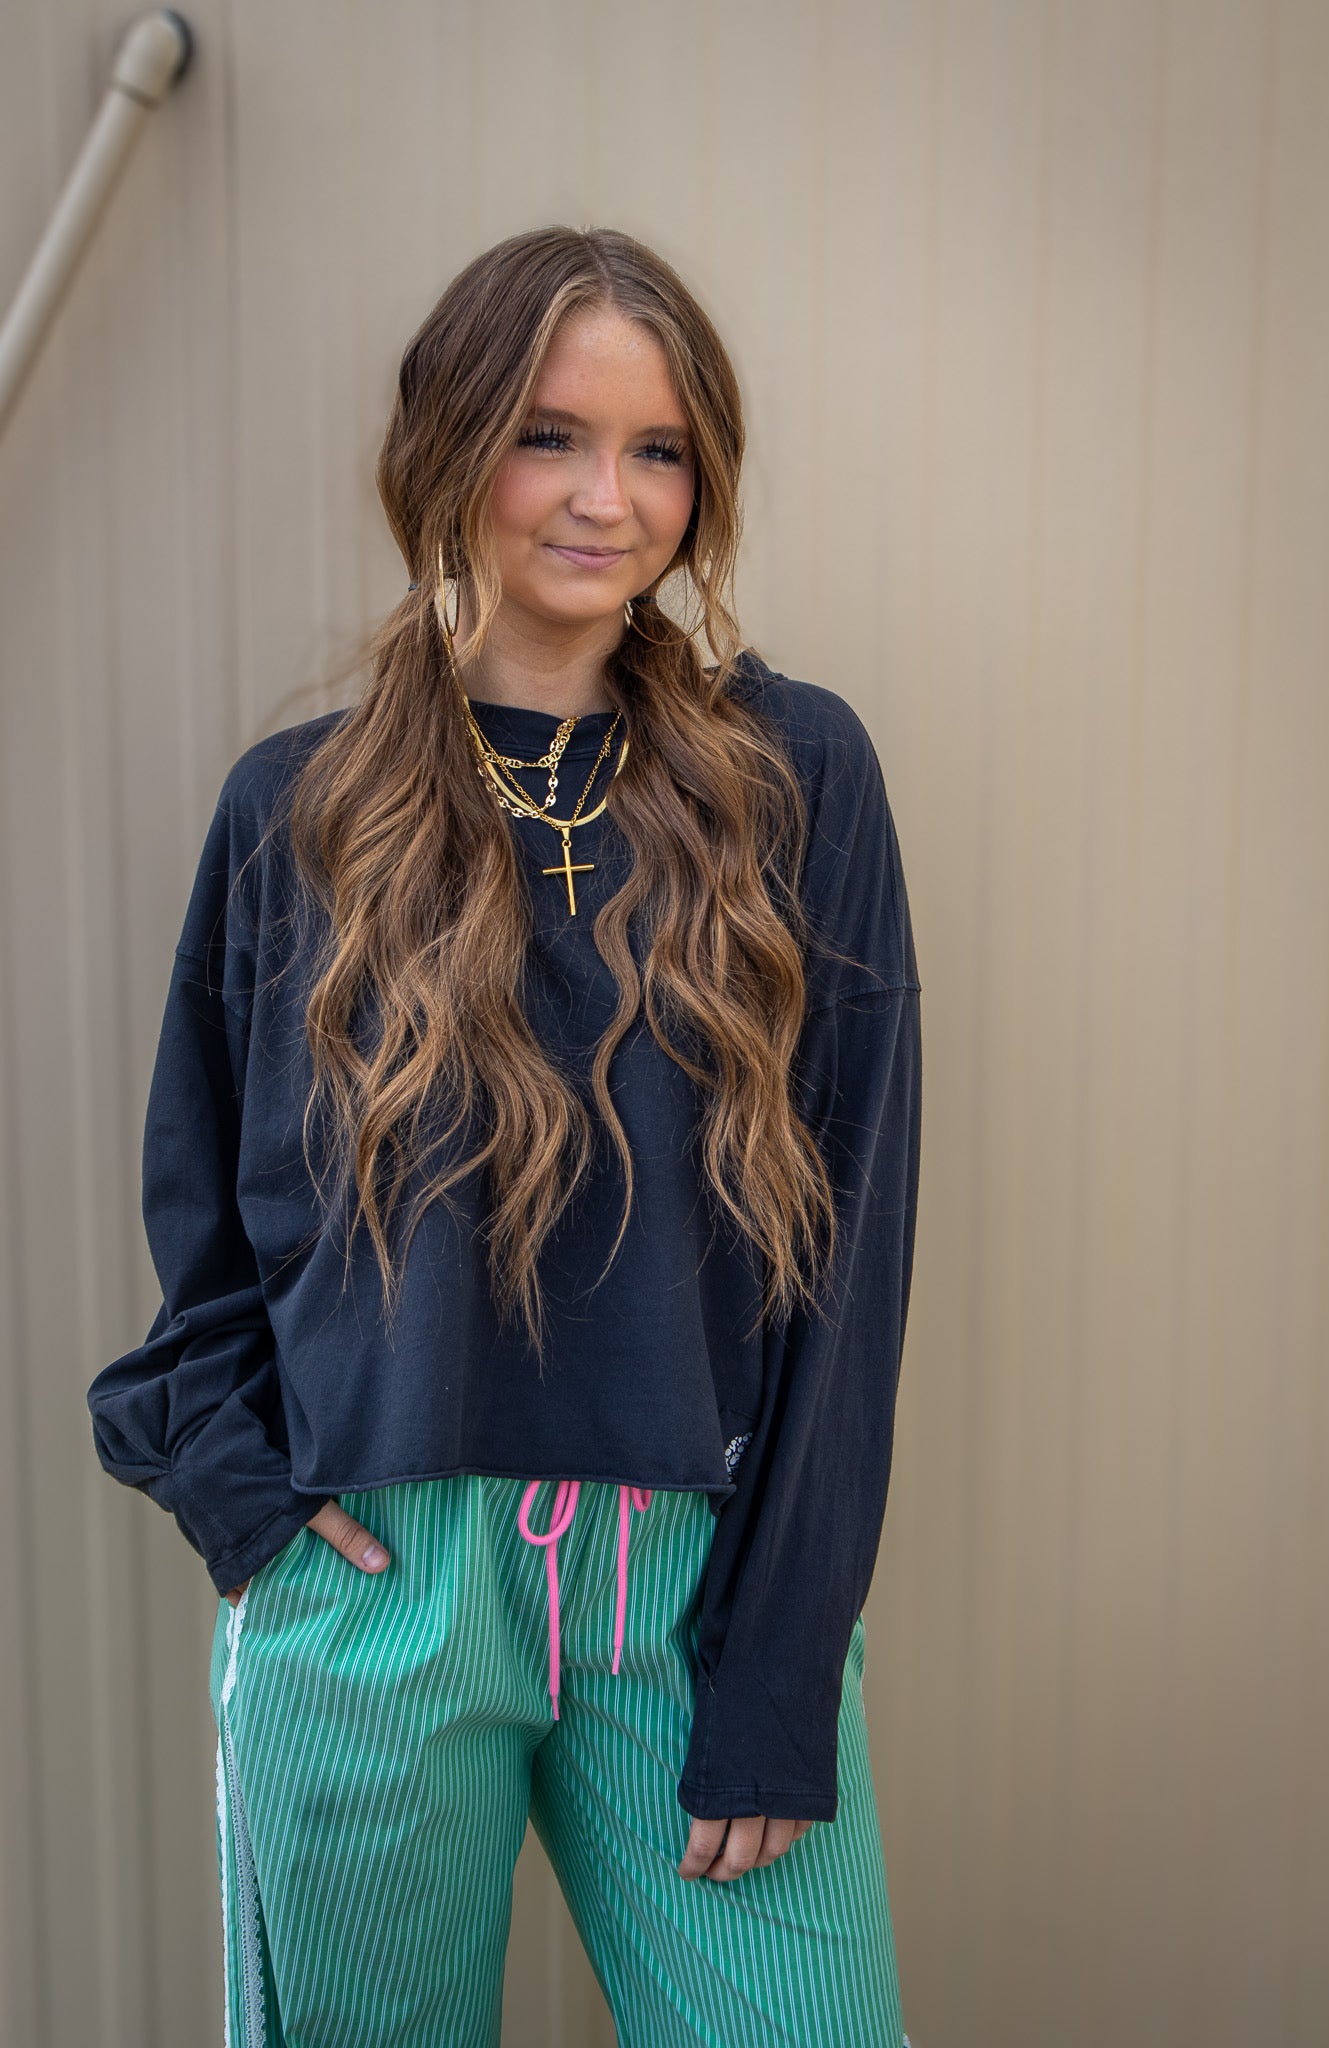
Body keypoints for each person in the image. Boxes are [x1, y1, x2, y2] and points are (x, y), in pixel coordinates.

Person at [87, 223, 922, 2048]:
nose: (606, 499)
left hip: (692, 1587)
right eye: (551, 435)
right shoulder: (298, 811)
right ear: (450, 444)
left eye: (658, 450)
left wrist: (781, 1668)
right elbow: (208, 1218)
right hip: (375, 1589)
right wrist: (248, 1510)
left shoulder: (796, 779)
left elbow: (851, 1251)